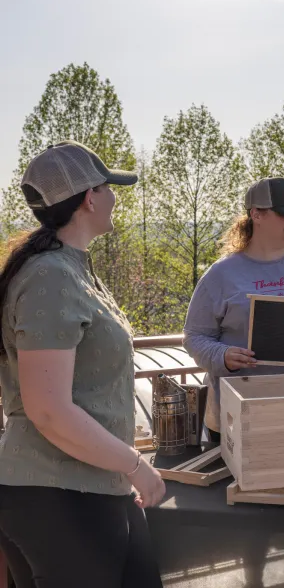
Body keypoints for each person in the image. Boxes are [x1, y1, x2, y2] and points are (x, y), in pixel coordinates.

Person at [0, 141, 165, 587]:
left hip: (88, 491)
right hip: (58, 500)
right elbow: (48, 409)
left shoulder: (69, 268)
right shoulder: (50, 275)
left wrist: (118, 468)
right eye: (109, 187)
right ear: (90, 198)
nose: (115, 197)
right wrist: (135, 465)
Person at [183, 177, 284, 443]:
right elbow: (194, 336)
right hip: (242, 416)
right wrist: (222, 355)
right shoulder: (221, 274)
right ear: (256, 214)